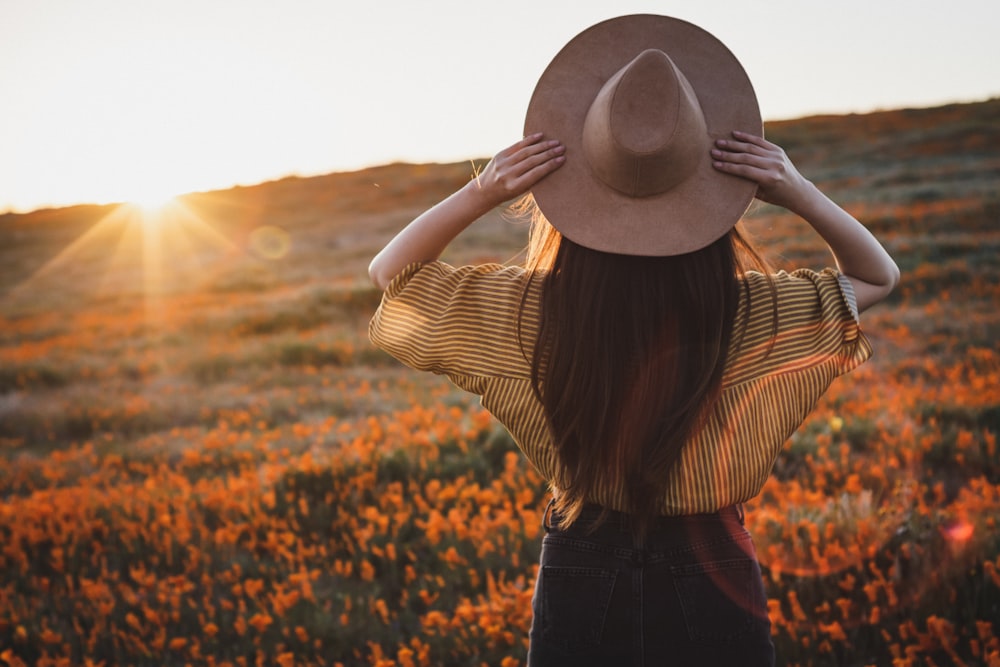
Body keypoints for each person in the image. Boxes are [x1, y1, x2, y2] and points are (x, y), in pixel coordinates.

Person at [368, 14, 898, 667]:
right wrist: (794, 188)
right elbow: (878, 273)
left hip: (581, 565)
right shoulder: (753, 310)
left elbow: (389, 274)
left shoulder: (530, 311)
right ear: (716, 200)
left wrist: (483, 189)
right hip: (715, 570)